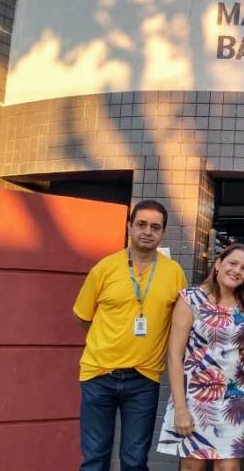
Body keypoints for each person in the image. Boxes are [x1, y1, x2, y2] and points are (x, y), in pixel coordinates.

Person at [73, 199, 188, 471]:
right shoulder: (105, 268)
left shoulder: (174, 274)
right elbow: (82, 316)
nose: (148, 231)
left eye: (155, 227)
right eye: (142, 224)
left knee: (135, 461)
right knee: (94, 459)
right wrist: (111, 341)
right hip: (98, 375)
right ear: (129, 227)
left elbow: (181, 323)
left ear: (163, 233)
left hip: (144, 378)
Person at [156, 243, 244, 470]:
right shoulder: (190, 298)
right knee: (193, 466)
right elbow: (175, 355)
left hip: (233, 397)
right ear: (219, 264)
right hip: (193, 396)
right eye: (233, 263)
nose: (237, 270)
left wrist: (229, 374)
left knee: (229, 467)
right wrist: (181, 408)